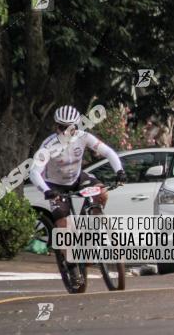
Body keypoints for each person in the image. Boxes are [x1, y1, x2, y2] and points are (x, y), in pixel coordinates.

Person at [29, 106, 126, 287]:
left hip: (77, 178)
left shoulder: (83, 137)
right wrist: (46, 191)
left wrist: (119, 171)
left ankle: (91, 225)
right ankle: (72, 267)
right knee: (63, 226)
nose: (65, 131)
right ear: (56, 126)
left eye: (69, 127)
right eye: (61, 127)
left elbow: (108, 152)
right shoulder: (48, 146)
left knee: (102, 193)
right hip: (55, 186)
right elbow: (34, 173)